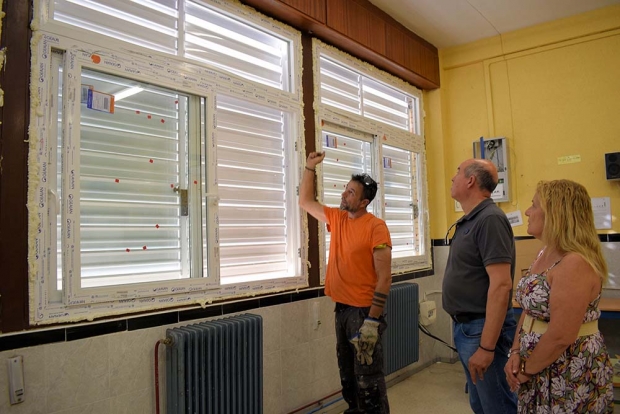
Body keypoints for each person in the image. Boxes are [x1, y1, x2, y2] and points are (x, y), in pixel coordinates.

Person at [504, 180, 615, 413]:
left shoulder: (575, 262)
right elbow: (528, 310)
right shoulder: (545, 251)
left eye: (534, 205)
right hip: (535, 363)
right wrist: (515, 353)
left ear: (555, 214)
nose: (527, 211)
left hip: (566, 367)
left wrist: (525, 371)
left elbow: (561, 335)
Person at [299, 151, 392, 414]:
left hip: (363, 313)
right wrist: (309, 167)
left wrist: (372, 322)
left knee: (368, 381)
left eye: (351, 192)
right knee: (349, 378)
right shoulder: (338, 219)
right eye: (345, 189)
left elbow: (384, 277)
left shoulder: (376, 227)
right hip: (342, 310)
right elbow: (305, 201)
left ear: (363, 202)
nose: (344, 194)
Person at [442, 158, 518, 414]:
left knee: (497, 404)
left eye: (457, 172)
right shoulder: (472, 219)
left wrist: (486, 347)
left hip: (481, 328)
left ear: (471, 180)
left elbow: (501, 285)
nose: (453, 178)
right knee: (480, 404)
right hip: (467, 326)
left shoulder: (489, 220)